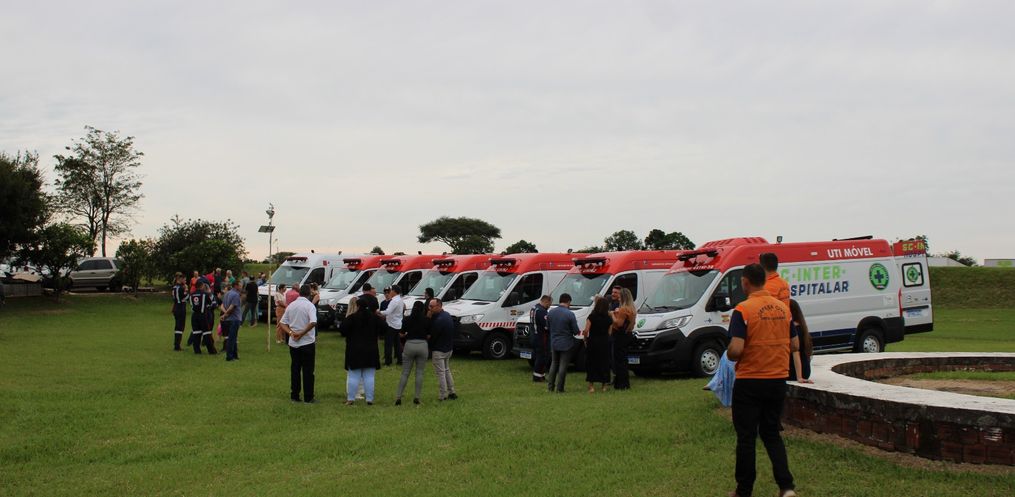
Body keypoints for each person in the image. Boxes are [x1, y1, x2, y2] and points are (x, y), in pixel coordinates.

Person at [726, 263, 799, 497]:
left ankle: (744, 490)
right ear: (764, 281)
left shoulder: (743, 310)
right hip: (777, 379)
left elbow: (736, 349)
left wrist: (728, 353)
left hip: (750, 380)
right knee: (771, 433)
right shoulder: (783, 308)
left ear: (745, 282)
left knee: (746, 437)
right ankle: (786, 487)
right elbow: (795, 344)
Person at [340, 295, 382, 405]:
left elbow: (342, 330)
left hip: (355, 350)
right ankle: (369, 399)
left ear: (357, 306)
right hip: (371, 350)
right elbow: (385, 328)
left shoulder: (352, 318)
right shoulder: (374, 317)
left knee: (354, 375)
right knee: (369, 376)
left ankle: (351, 398)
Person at [280, 284, 318, 403]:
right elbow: (313, 322)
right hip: (307, 342)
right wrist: (302, 333)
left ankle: (295, 395)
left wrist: (290, 333)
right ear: (309, 294)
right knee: (308, 370)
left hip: (293, 343)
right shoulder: (310, 306)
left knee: (295, 369)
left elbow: (282, 323)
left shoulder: (291, 305)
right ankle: (308, 397)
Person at [395, 301, 430, 405]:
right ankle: (417, 397)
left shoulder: (407, 319)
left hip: (409, 344)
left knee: (405, 373)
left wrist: (406, 335)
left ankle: (398, 397)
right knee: (419, 372)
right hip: (422, 345)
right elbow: (429, 335)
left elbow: (401, 334)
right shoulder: (427, 320)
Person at [545, 293, 580, 393]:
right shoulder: (570, 314)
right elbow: (576, 331)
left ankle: (550, 387)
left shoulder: (551, 312)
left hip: (554, 342)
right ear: (568, 302)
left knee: (554, 364)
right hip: (566, 344)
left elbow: (548, 327)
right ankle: (560, 388)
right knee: (563, 366)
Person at [428, 299, 458, 401]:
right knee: (446, 370)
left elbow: (433, 335)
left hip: (439, 350)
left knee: (441, 373)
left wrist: (429, 345)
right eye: (429, 306)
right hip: (448, 348)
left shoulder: (438, 320)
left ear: (439, 306)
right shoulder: (447, 315)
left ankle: (443, 395)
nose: (430, 309)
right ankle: (452, 391)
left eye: (432, 307)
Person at [583, 296, 612, 393]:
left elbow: (586, 330)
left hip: (593, 341)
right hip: (604, 342)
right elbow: (610, 332)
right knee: (604, 362)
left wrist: (585, 339)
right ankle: (604, 385)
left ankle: (591, 385)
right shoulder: (608, 318)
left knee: (592, 362)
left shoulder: (591, 316)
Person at [610, 288, 637, 390]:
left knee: (618, 360)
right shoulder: (632, 309)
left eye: (620, 296)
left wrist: (612, 315)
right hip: (627, 334)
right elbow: (632, 325)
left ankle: (620, 384)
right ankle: (625, 383)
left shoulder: (623, 309)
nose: (618, 298)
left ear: (623, 297)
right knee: (624, 359)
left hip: (619, 336)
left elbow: (618, 323)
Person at [788, 300, 813, 384]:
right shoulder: (802, 327)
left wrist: (799, 377)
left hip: (794, 372)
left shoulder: (793, 329)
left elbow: (796, 352)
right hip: (805, 370)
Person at [189, 280, 217, 354]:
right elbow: (211, 303)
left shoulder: (191, 295)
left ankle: (197, 350)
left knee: (196, 333)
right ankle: (211, 351)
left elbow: (191, 305)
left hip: (194, 316)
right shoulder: (205, 294)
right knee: (207, 333)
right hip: (203, 315)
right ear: (202, 286)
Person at [380, 285, 405, 367]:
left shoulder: (394, 301)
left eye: (390, 291)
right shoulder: (400, 299)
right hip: (397, 324)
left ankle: (388, 361)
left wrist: (379, 312)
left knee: (388, 344)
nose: (389, 292)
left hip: (391, 324)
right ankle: (400, 360)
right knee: (397, 343)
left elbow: (388, 311)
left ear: (394, 291)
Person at [529, 295, 552, 382]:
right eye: (549, 304)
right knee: (542, 357)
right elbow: (546, 326)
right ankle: (537, 376)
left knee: (538, 356)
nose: (549, 306)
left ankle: (541, 375)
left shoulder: (534, 308)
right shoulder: (542, 311)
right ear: (546, 302)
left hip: (534, 335)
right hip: (541, 336)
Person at [221, 281, 243, 361]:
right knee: (232, 338)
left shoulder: (227, 294)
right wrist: (226, 314)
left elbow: (222, 305)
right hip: (234, 319)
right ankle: (229, 357)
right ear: (236, 286)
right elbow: (232, 307)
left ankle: (235, 355)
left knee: (233, 338)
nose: (241, 287)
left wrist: (224, 314)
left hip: (228, 319)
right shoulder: (236, 295)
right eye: (240, 285)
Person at [170, 274, 188, 351]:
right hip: (180, 308)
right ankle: (177, 346)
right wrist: (187, 291)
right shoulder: (180, 288)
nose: (185, 281)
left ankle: (176, 344)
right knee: (180, 326)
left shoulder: (174, 287)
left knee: (178, 326)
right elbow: (184, 298)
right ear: (180, 279)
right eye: (185, 280)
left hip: (176, 307)